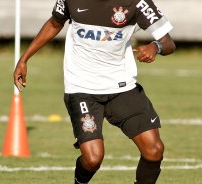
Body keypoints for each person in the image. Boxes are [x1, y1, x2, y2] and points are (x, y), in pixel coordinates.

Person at [14, 0, 176, 183]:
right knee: (93, 159)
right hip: (81, 88)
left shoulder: (138, 2)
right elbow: (54, 23)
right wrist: (24, 59)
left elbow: (168, 42)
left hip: (122, 87)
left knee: (154, 149)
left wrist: (156, 47)